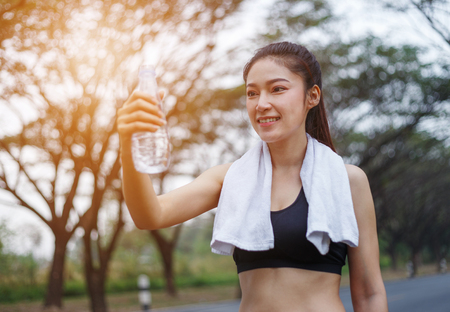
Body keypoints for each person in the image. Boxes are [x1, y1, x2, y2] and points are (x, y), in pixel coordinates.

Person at [117, 42, 388, 312]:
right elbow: (149, 215)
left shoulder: (347, 180)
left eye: (277, 89)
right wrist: (128, 144)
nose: (262, 104)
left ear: (312, 96)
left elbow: (369, 292)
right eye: (252, 93)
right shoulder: (230, 178)